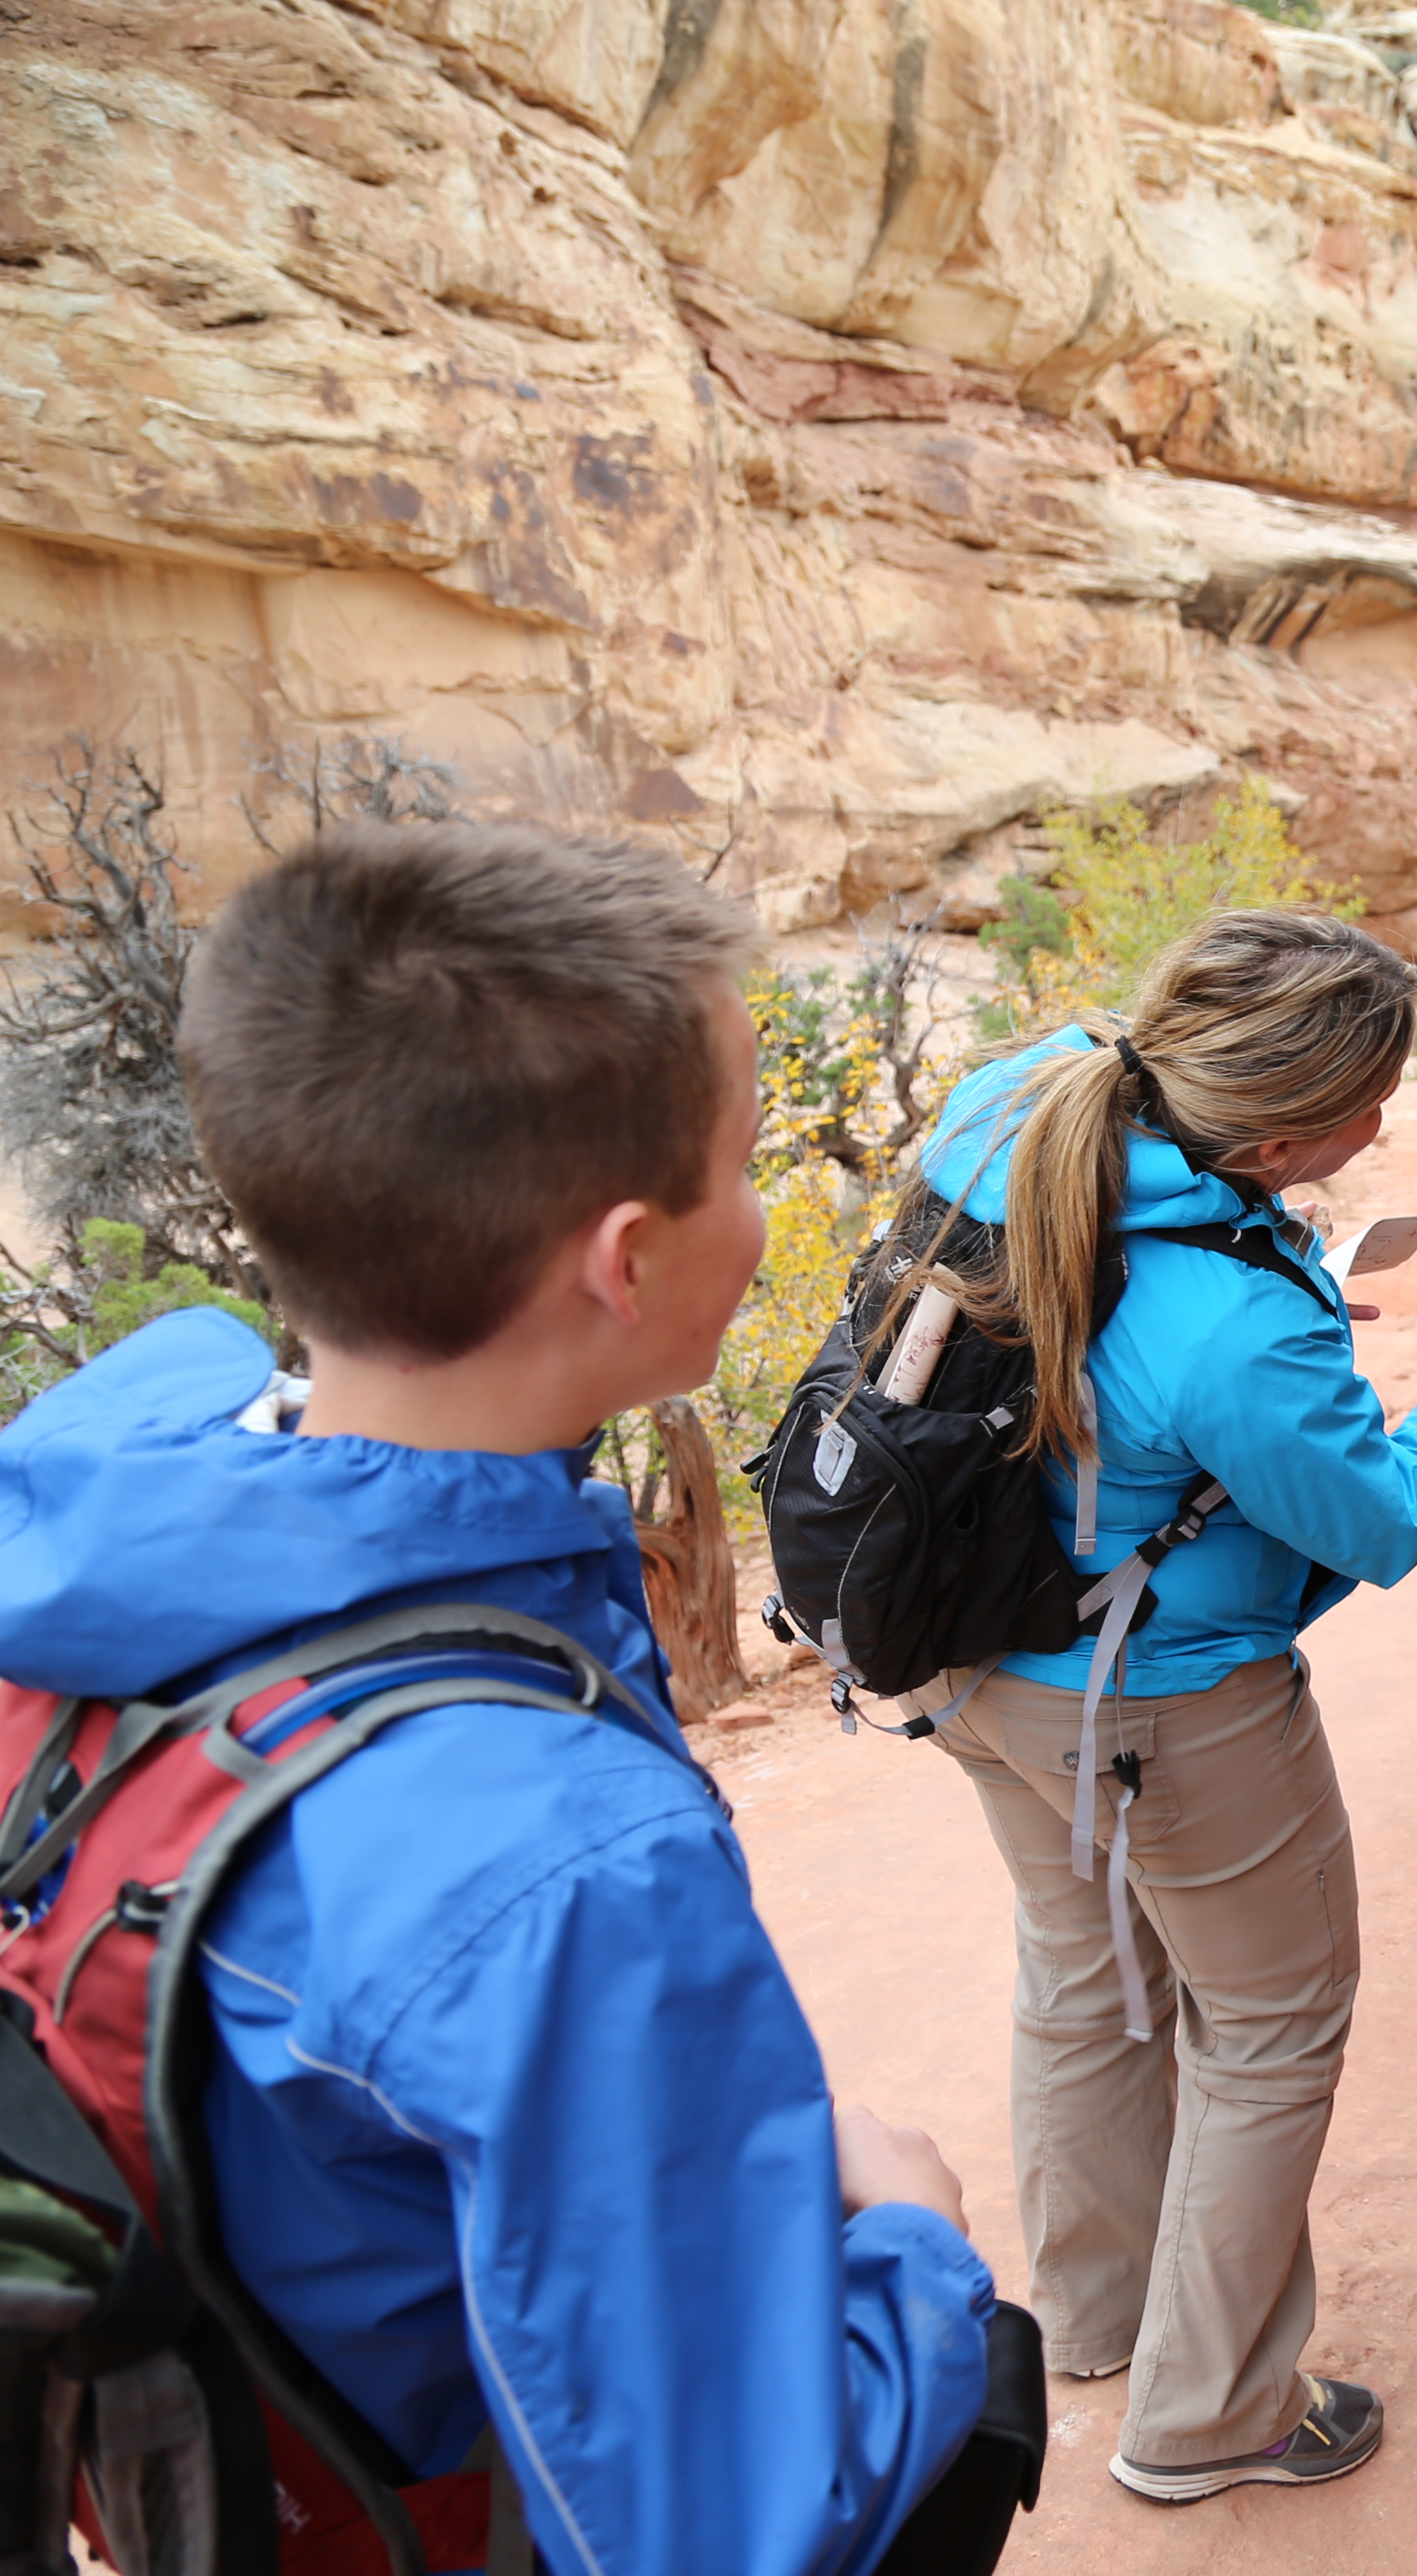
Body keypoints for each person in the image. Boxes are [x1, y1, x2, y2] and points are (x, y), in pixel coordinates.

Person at [0, 824, 996, 2572]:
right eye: (747, 1163)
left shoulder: (94, 1504)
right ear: (626, 1260)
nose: (762, 1216)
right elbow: (730, 2531)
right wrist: (911, 2246)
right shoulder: (560, 1869)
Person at [907, 911, 1417, 2505]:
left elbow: (1119, 1368)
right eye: (1371, 1099)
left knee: (1084, 1980)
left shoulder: (1034, 1098)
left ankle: (1099, 2321)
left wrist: (1271, 1338)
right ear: (1280, 1132)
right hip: (1160, 1709)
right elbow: (1379, 1520)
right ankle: (1211, 2416)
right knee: (1268, 2029)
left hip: (979, 1665)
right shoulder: (1231, 1323)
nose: (1385, 1122)